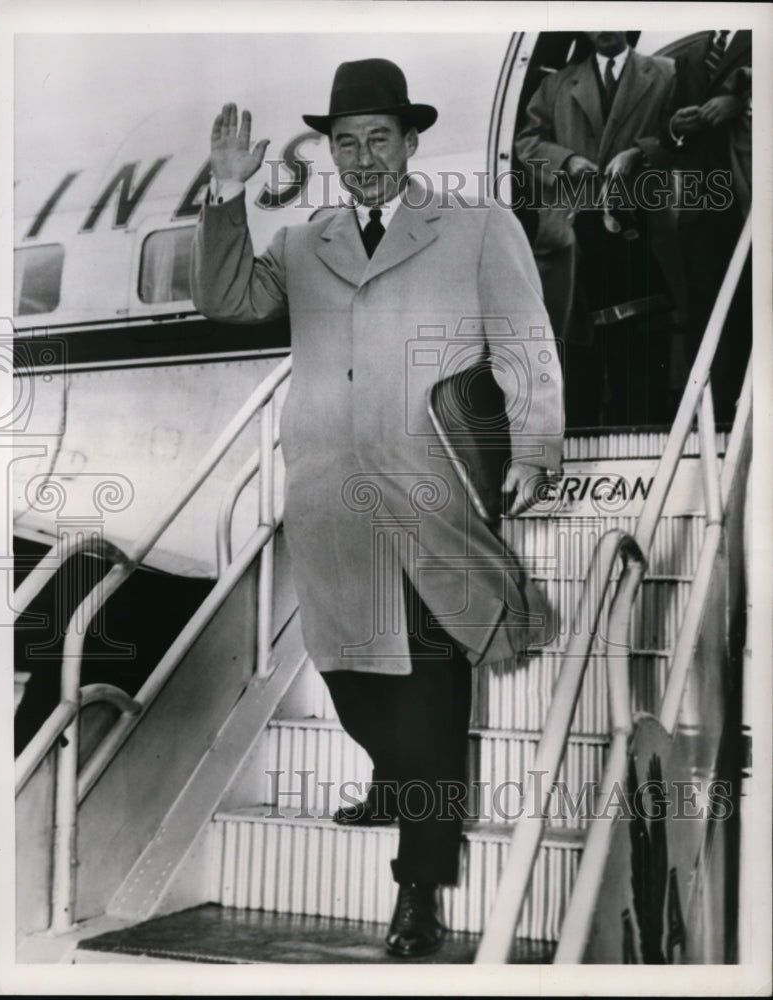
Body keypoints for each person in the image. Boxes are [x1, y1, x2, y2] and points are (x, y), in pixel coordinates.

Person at [191, 58, 563, 958]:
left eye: (379, 140)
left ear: (411, 141)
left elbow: (522, 339)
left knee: (432, 693)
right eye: (346, 142)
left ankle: (419, 892)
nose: (362, 159)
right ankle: (396, 779)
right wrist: (226, 198)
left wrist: (535, 442)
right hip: (331, 502)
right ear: (332, 150)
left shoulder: (476, 227)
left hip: (431, 492)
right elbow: (224, 299)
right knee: (348, 674)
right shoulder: (303, 244)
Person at [515, 32, 684, 426]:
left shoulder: (666, 74)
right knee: (580, 354)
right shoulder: (556, 84)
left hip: (643, 235)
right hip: (578, 237)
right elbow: (527, 142)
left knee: (643, 354)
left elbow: (680, 138)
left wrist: (640, 152)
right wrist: (567, 159)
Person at [664, 30, 751, 423]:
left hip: (752, 199)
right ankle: (714, 419)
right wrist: (675, 127)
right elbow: (668, 128)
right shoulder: (694, 51)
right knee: (706, 315)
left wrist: (744, 101)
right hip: (703, 207)